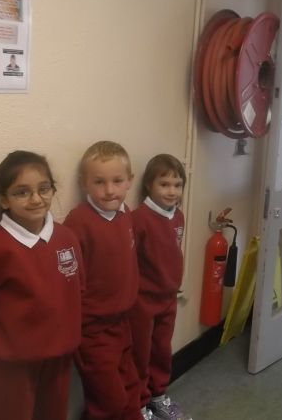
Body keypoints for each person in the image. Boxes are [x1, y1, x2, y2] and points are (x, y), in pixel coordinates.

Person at [0, 151, 83, 420]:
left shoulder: (67, 238)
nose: (36, 199)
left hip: (59, 358)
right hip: (12, 365)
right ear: (3, 200)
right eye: (22, 192)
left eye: (44, 189)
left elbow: (79, 289)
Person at [63, 141, 142, 420]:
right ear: (84, 183)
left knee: (130, 385)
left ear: (129, 181)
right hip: (93, 330)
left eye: (117, 181)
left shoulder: (126, 213)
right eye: (99, 182)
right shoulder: (77, 222)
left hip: (123, 321)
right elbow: (70, 280)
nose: (109, 190)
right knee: (109, 399)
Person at [130, 154, 192, 420]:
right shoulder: (138, 219)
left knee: (162, 349)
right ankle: (140, 404)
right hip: (143, 301)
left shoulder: (178, 217)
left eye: (177, 185)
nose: (172, 191)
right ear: (149, 185)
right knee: (140, 353)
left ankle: (158, 395)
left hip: (168, 298)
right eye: (164, 184)